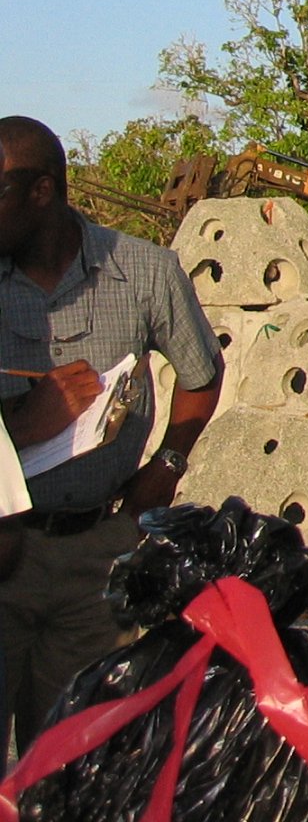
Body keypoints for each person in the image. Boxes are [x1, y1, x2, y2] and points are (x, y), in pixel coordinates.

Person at [0, 115, 222, 749]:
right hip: (4, 550)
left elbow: (201, 373)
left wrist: (168, 465)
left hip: (99, 553)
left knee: (78, 756)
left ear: (42, 191)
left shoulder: (146, 271)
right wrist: (23, 422)